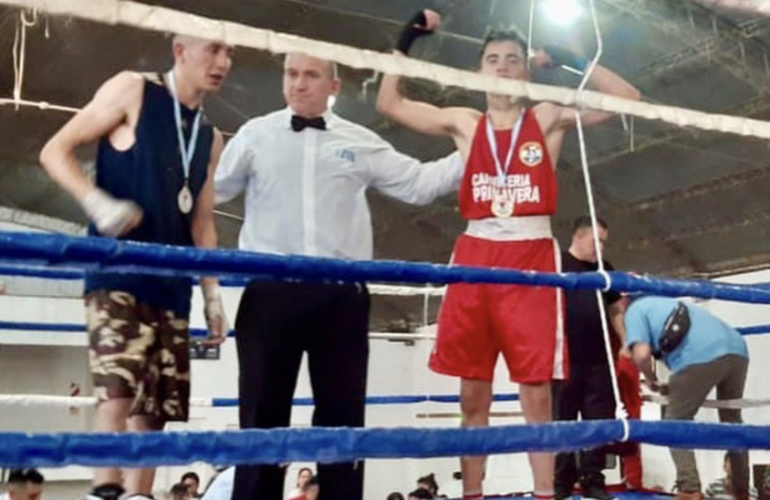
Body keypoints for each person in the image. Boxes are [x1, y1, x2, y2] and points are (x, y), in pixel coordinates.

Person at [376, 10, 641, 500]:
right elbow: (389, 102)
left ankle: (544, 495)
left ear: (525, 70)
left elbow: (627, 99)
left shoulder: (545, 116)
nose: (502, 67)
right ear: (479, 70)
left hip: (532, 255)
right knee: (472, 391)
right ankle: (471, 494)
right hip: (476, 253)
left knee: (536, 393)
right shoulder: (464, 122)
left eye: (513, 60)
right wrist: (406, 35)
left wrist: (566, 59)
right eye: (493, 59)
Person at [215, 52, 464, 500]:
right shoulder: (255, 135)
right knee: (260, 419)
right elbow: (212, 189)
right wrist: (184, 153)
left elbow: (420, 184)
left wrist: (478, 147)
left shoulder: (359, 140)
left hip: (341, 296)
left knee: (343, 419)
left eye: (310, 75)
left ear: (334, 86)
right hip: (271, 291)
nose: (298, 84)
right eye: (291, 73)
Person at [38, 35, 232, 500]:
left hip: (173, 284)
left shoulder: (210, 136)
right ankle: (104, 491)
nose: (223, 62)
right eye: (214, 49)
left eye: (230, 53)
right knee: (117, 394)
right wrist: (95, 201)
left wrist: (212, 295)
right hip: (117, 273)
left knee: (156, 410)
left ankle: (140, 496)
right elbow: (54, 150)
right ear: (180, 49)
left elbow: (203, 222)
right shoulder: (133, 90)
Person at [624, 296, 750, 500]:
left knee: (673, 422)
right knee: (732, 421)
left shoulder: (634, 311)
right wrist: (669, 386)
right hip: (738, 349)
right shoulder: (664, 302)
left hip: (702, 355)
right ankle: (742, 489)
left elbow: (641, 354)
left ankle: (689, 488)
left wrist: (649, 379)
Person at [553, 216, 628, 500]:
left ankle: (593, 480)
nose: (602, 248)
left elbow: (615, 310)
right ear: (579, 236)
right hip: (564, 357)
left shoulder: (604, 269)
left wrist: (624, 341)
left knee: (599, 420)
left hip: (599, 358)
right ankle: (561, 482)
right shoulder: (556, 263)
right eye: (598, 241)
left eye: (604, 243)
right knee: (563, 420)